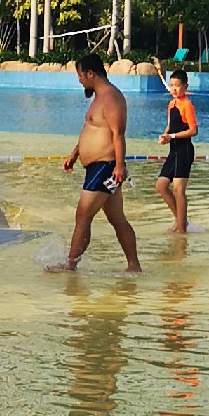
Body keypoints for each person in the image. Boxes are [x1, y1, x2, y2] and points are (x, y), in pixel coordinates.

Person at [54, 51, 141, 273]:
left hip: (105, 166)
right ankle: (134, 266)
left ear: (91, 73)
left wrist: (119, 166)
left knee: (83, 214)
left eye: (80, 75)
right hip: (99, 167)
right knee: (117, 219)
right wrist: (75, 153)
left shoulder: (111, 97)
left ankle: (70, 264)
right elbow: (92, 130)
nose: (79, 80)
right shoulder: (99, 98)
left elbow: (118, 133)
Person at [155, 68, 199, 234]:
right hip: (173, 150)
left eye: (177, 86)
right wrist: (164, 135)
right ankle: (182, 221)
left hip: (184, 150)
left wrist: (172, 136)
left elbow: (193, 130)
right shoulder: (171, 104)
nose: (173, 89)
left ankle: (181, 230)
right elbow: (170, 125)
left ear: (185, 87)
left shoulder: (187, 105)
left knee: (178, 190)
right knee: (161, 185)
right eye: (171, 85)